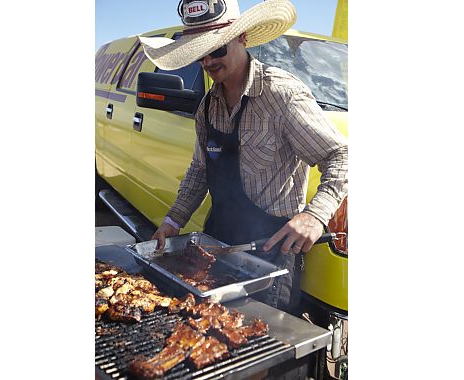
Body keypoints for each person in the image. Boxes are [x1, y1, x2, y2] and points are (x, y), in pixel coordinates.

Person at [140, 0, 348, 316]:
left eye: (217, 49)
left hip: (271, 252)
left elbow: (341, 155)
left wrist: (315, 215)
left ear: (242, 38)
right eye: (200, 52)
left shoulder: (281, 96)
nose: (208, 60)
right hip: (217, 244)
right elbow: (199, 170)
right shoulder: (208, 107)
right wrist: (172, 221)